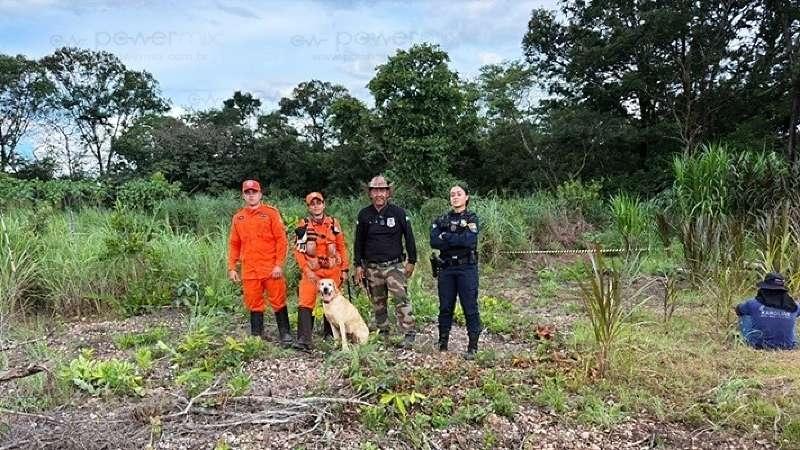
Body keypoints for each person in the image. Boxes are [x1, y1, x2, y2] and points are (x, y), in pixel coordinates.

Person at [354, 175, 417, 349]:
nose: (379, 194)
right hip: (372, 267)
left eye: (382, 190)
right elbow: (358, 241)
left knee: (401, 299)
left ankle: (409, 333)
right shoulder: (364, 214)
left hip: (394, 266)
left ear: (388, 193)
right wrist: (358, 265)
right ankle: (383, 333)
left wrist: (412, 260)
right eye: (375, 190)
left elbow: (409, 238)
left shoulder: (398, 213)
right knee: (378, 302)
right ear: (370, 193)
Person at [227, 179, 293, 347]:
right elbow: (234, 244)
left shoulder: (271, 213)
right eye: (247, 193)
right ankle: (257, 334)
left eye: (254, 192)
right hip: (249, 269)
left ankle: (285, 334)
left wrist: (279, 264)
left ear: (260, 194)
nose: (251, 195)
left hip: (271, 268)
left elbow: (281, 240)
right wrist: (232, 267)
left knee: (278, 300)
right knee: (253, 301)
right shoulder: (238, 217)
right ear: (243, 196)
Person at [430, 184, 482, 359]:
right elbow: (434, 242)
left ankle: (473, 345)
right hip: (446, 268)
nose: (455, 197)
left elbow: (469, 240)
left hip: (466, 267)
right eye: (452, 194)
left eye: (459, 194)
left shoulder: (471, 217)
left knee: (470, 306)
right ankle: (443, 341)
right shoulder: (441, 218)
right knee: (445, 306)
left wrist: (446, 237)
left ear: (466, 197)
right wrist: (456, 238)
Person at [292, 192, 349, 351]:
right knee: (305, 300)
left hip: (332, 270)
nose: (316, 206)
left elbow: (341, 247)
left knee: (332, 300)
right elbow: (298, 251)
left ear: (324, 204)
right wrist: (305, 269)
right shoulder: (302, 225)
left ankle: (330, 335)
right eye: (312, 204)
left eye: (319, 203)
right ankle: (304, 340)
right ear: (309, 207)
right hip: (312, 271)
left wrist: (344, 268)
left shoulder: (333, 224)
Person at [735, 272, 798, 350]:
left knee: (745, 315)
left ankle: (746, 340)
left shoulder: (752, 303)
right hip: (788, 346)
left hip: (759, 346)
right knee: (792, 317)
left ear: (764, 288)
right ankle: (786, 340)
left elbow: (738, 310)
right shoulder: (794, 306)